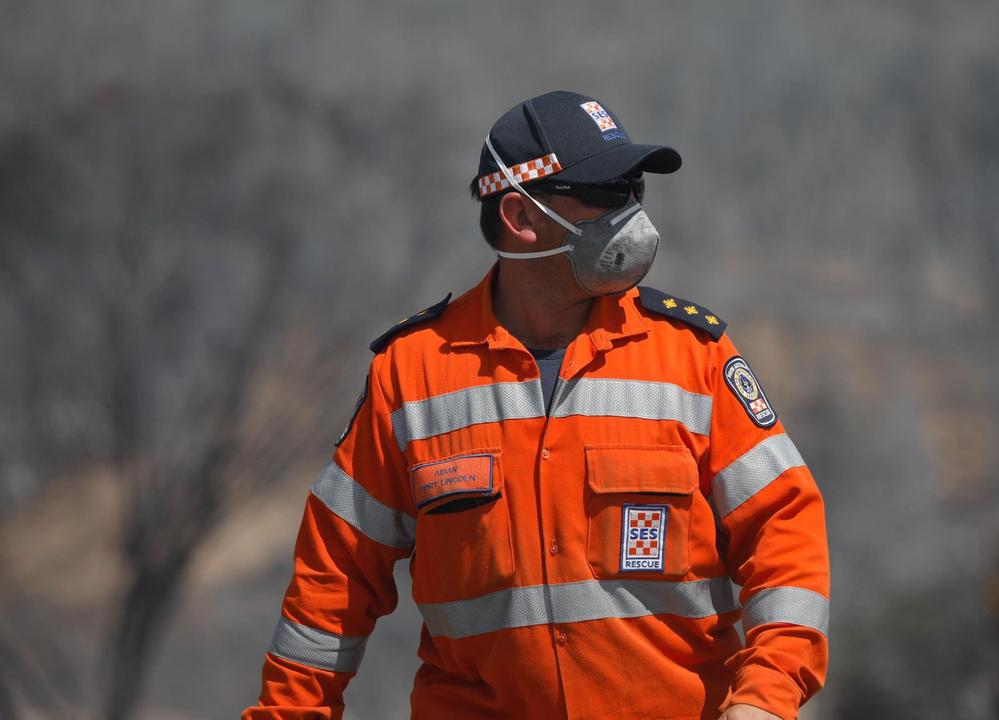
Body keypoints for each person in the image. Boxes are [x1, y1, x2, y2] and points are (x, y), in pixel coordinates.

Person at [243, 90, 829, 720]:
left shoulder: (694, 356)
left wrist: (767, 699)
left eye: (636, 189)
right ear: (520, 217)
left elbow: (784, 528)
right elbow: (330, 584)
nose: (631, 212)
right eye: (605, 193)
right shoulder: (410, 375)